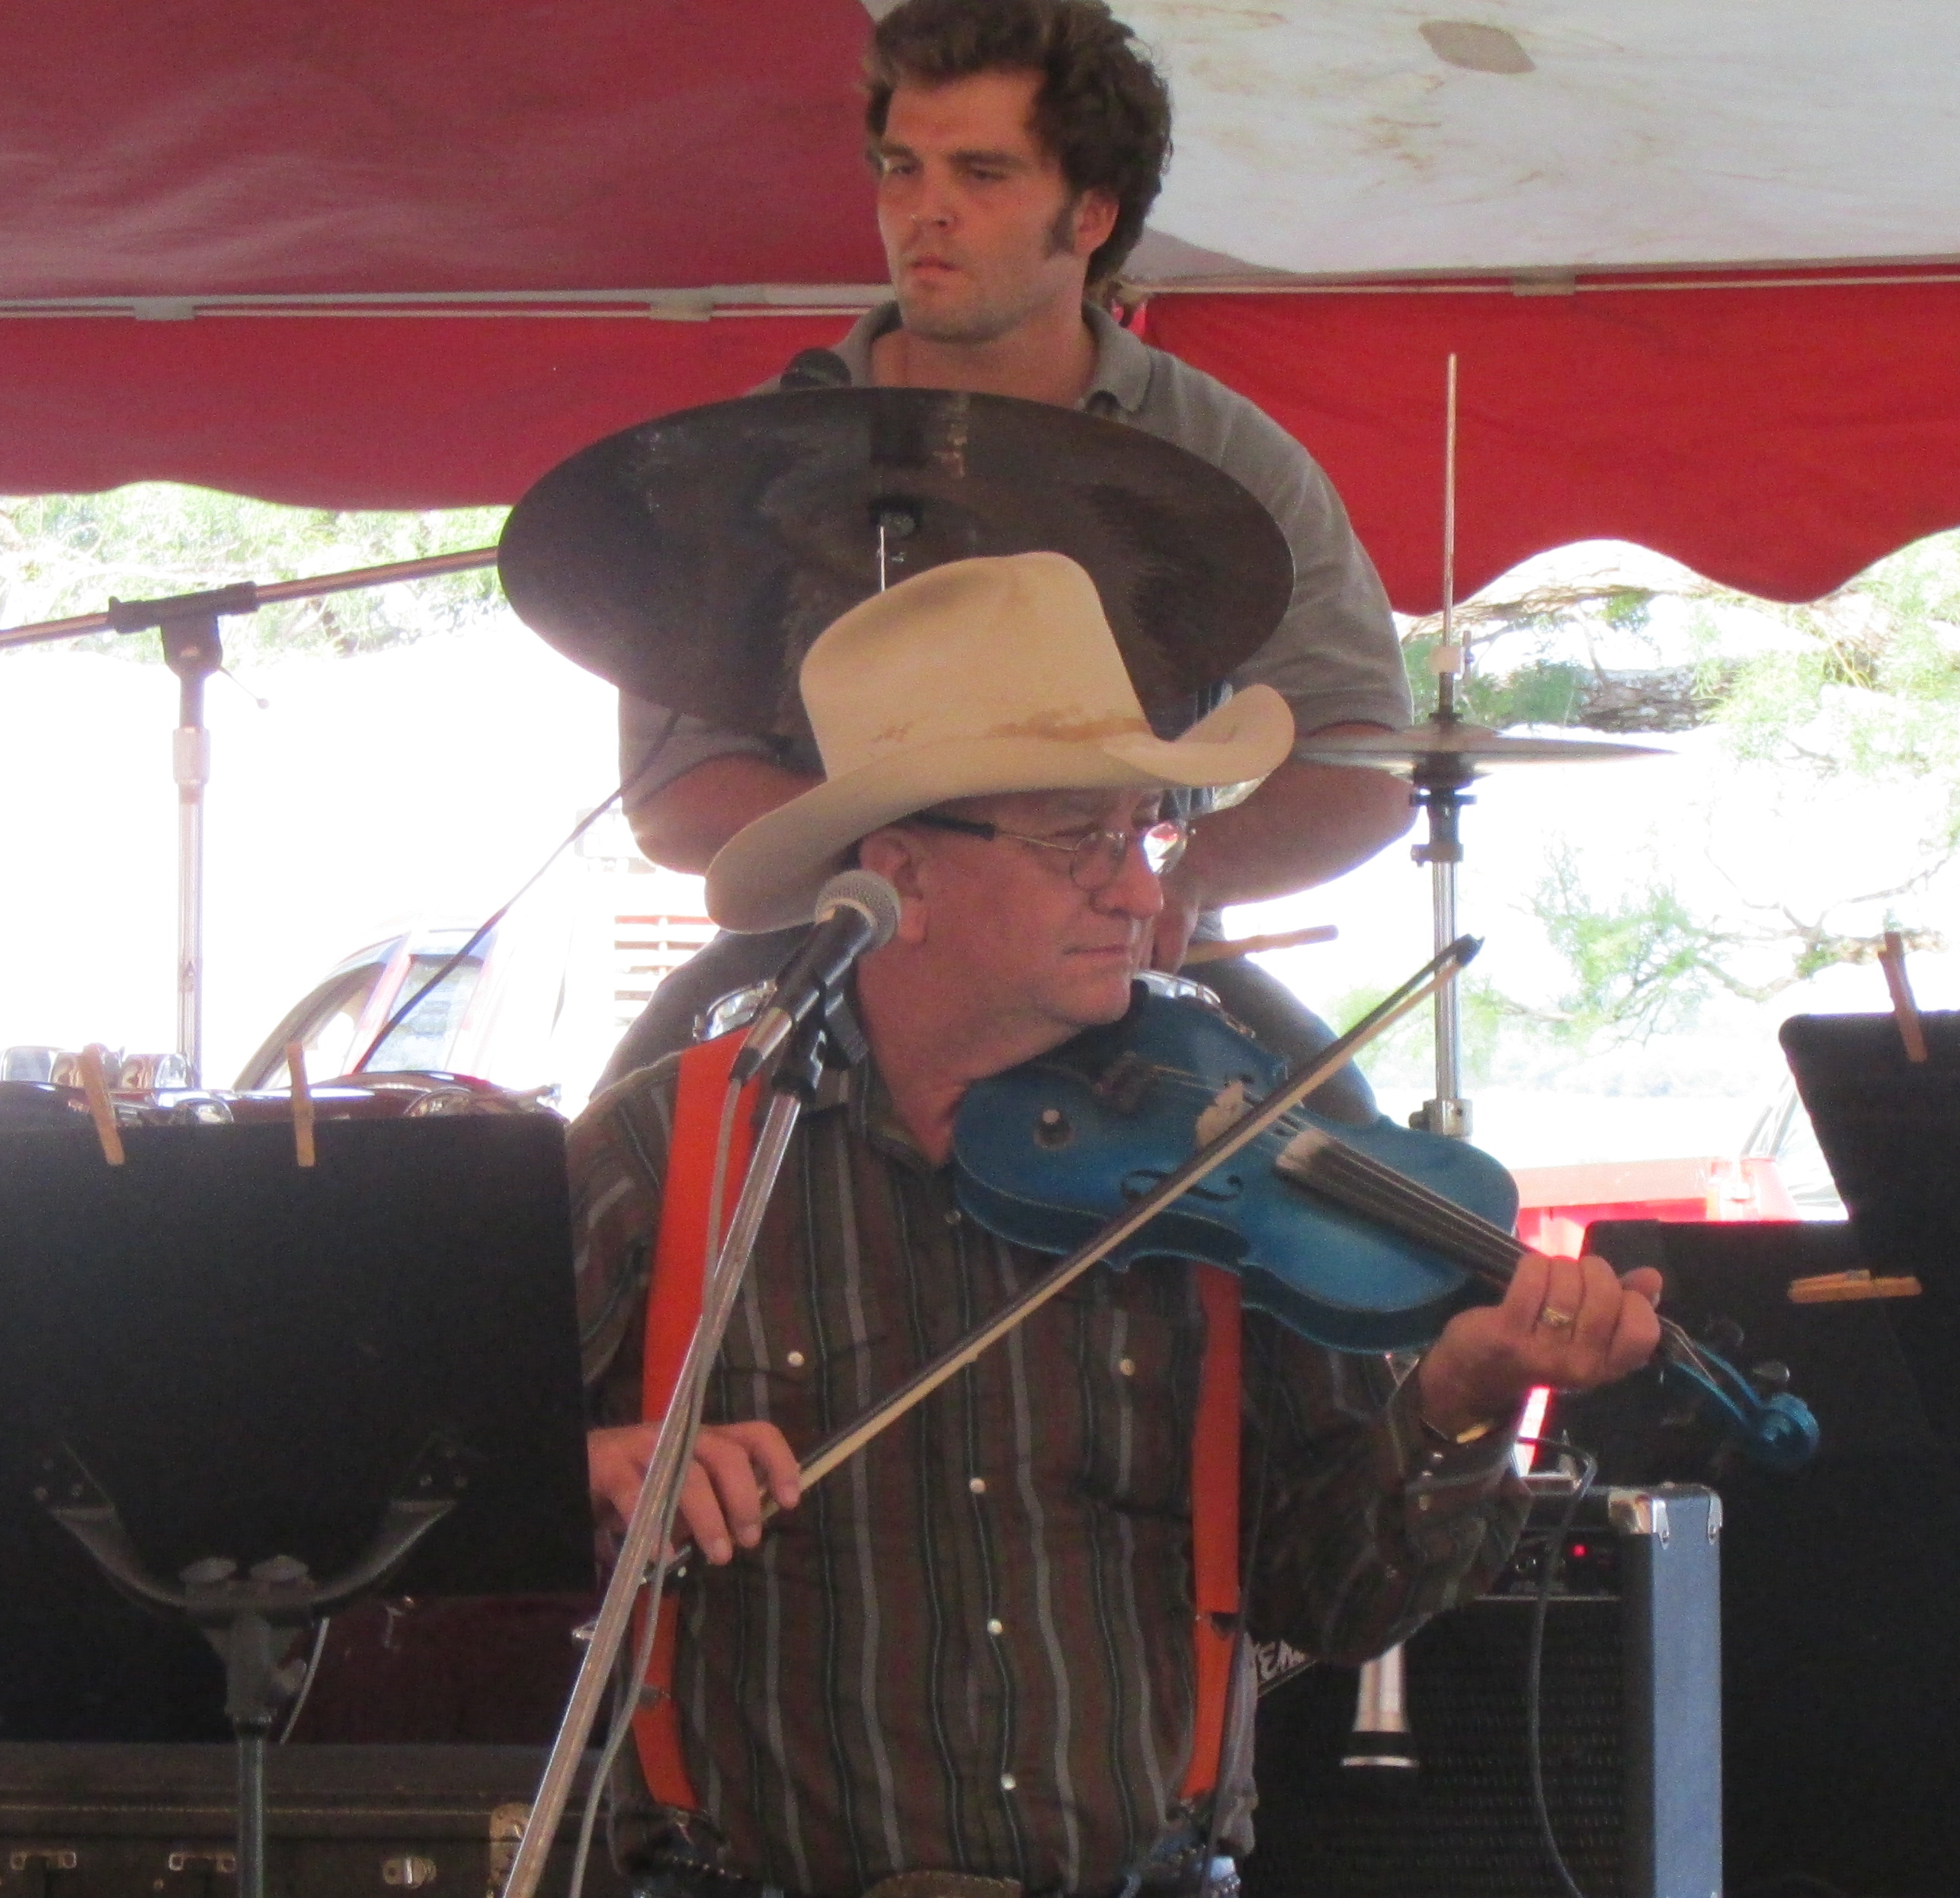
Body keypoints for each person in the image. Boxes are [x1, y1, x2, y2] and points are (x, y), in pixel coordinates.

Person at [565, 553, 1663, 1898]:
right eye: (1081, 838)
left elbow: (1329, 1587)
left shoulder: (1231, 1146)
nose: (1141, 889)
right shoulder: (662, 1149)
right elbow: (441, 1505)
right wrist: (600, 1470)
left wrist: (1456, 1404)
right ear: (895, 875)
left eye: (1149, 834)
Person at [602, 0, 1412, 1090]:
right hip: (827, 940)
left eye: (981, 175)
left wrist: (1185, 877)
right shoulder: (753, 456)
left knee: (1347, 1140)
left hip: (1124, 951)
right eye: (902, 169)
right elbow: (675, 791)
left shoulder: (1223, 454)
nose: (924, 212)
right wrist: (928, 875)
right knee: (617, 1151)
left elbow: (1362, 763)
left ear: (1092, 214)